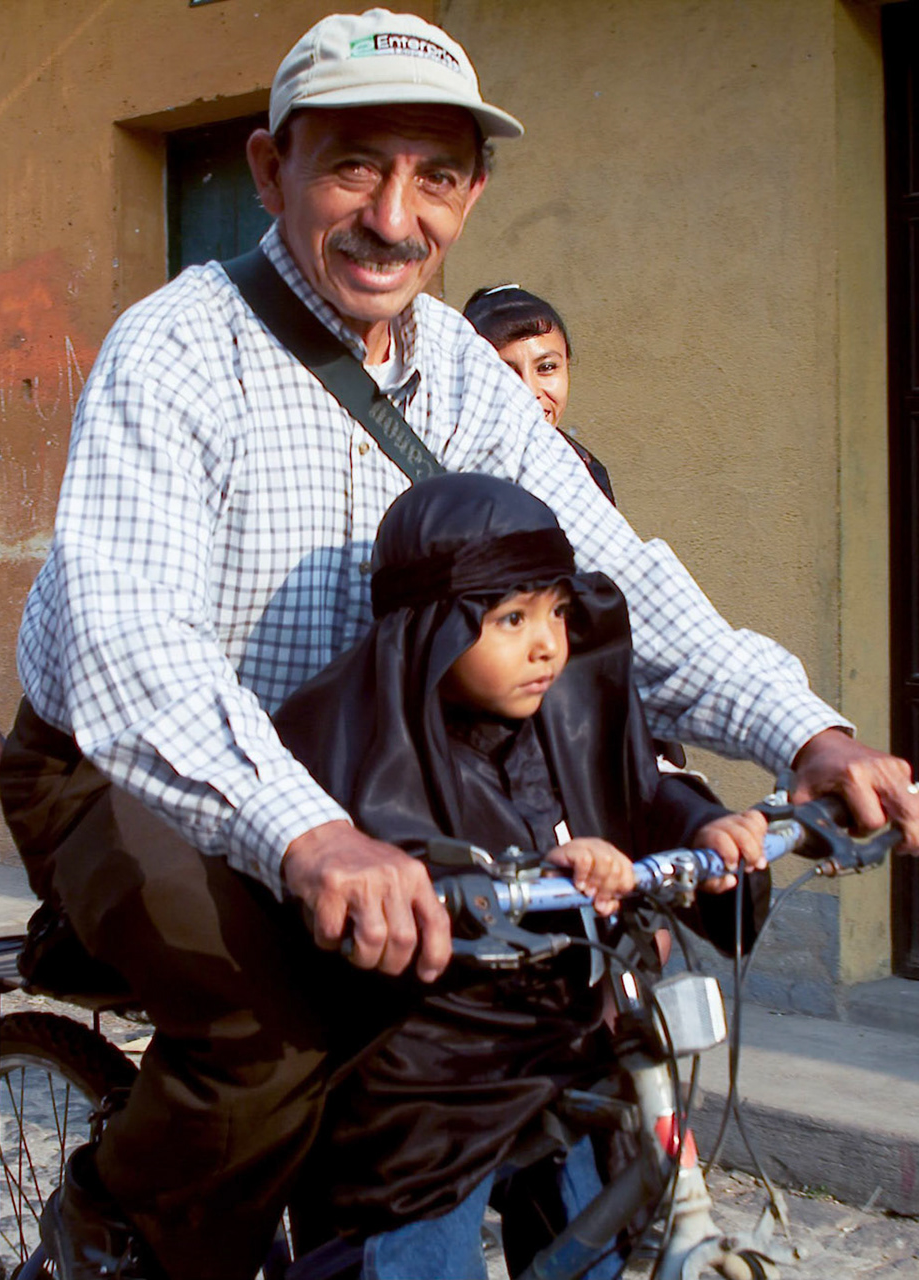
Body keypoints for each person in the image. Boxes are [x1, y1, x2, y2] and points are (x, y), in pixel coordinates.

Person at [0, 10, 919, 1279]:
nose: (395, 216)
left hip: (385, 774)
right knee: (283, 1026)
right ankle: (115, 1223)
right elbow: (129, 644)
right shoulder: (176, 348)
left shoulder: (465, 370)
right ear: (271, 170)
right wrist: (310, 833)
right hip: (132, 764)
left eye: (434, 176)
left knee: (569, 988)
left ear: (473, 193)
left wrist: (805, 732)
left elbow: (612, 581)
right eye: (352, 166)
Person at [272, 473, 770, 1279]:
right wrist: (535, 871)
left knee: (599, 1238)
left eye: (558, 614)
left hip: (565, 1033)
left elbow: (640, 791)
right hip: (431, 1067)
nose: (548, 645)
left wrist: (706, 831)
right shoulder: (353, 734)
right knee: (424, 1258)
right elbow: (396, 863)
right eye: (510, 619)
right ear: (433, 629)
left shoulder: (564, 711)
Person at [461, 284, 614, 501]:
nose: (529, 392)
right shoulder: (447, 475)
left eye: (546, 367)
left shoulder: (587, 473)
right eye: (506, 373)